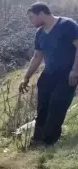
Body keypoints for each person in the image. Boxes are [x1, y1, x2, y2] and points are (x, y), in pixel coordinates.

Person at [19, 2, 78, 146]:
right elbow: (37, 57)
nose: (31, 21)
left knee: (57, 105)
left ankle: (49, 141)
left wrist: (75, 70)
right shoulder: (40, 33)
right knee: (43, 107)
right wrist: (26, 77)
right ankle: (38, 139)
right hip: (49, 74)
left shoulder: (67, 25)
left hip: (67, 74)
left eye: (32, 17)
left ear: (41, 13)